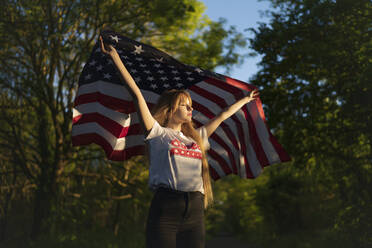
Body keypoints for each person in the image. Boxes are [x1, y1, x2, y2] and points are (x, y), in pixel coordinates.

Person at [99, 36, 258, 248]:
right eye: (186, 105)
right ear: (172, 109)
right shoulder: (157, 133)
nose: (191, 109)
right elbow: (136, 94)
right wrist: (115, 57)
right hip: (166, 207)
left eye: (191, 105)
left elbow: (222, 116)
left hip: (195, 207)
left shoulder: (196, 138)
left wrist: (244, 100)